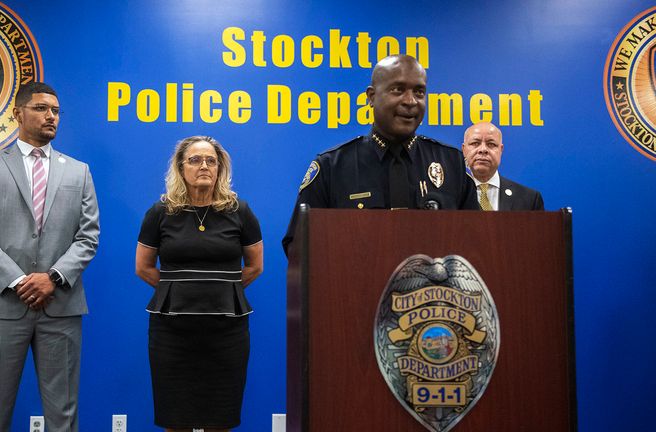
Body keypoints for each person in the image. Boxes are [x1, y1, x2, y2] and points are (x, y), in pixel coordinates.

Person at [0, 82, 100, 432]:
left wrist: (51, 277)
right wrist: (20, 281)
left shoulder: (78, 171)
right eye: (41, 108)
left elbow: (88, 236)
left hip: (61, 305)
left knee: (64, 418)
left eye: (55, 110)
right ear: (17, 113)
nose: (51, 116)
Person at [282, 55, 478, 254]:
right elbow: (299, 249)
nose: (410, 101)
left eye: (419, 92)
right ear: (371, 97)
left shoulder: (452, 163)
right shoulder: (331, 167)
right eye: (398, 90)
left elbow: (477, 242)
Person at [135, 136, 263, 432]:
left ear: (220, 169)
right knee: (175, 419)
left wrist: (221, 291)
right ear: (180, 167)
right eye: (195, 160)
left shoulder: (239, 211)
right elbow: (143, 267)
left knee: (221, 419)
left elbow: (255, 266)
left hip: (227, 333)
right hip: (171, 334)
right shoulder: (160, 212)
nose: (203, 166)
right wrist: (178, 290)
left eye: (211, 160)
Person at [462, 121, 544, 211]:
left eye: (491, 144)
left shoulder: (530, 199)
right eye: (475, 143)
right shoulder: (450, 196)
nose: (483, 149)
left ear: (501, 150)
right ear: (464, 149)